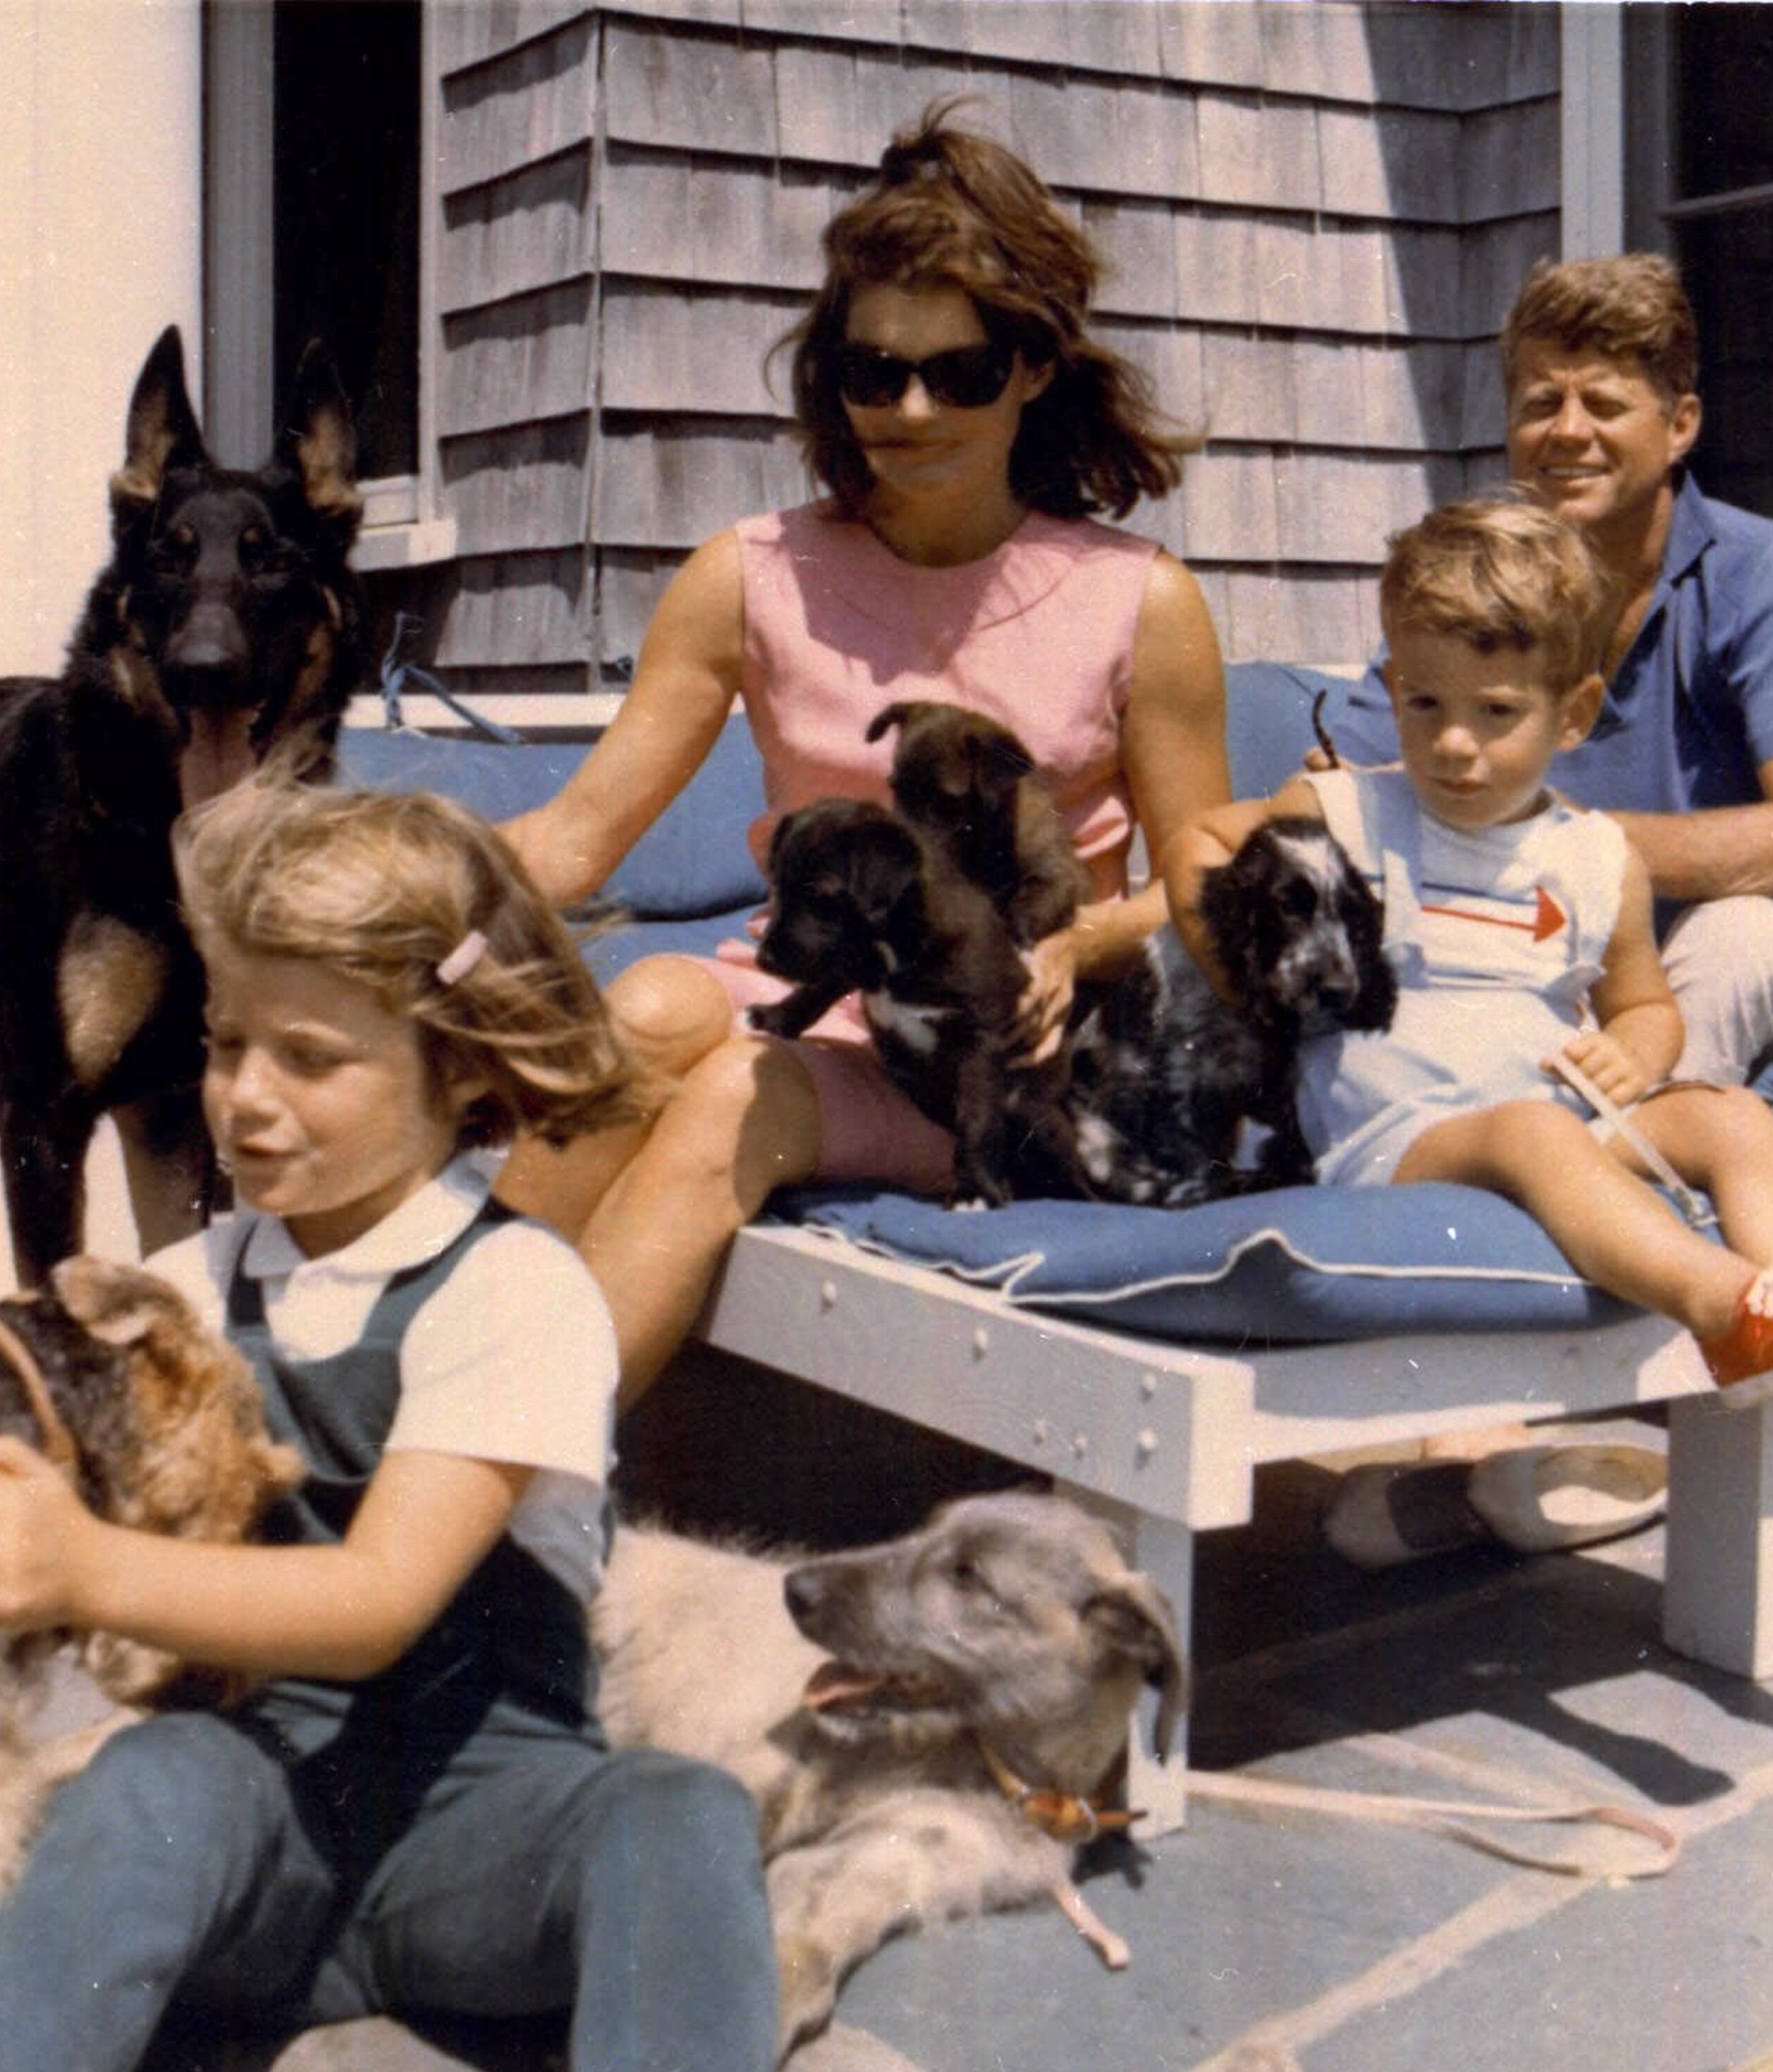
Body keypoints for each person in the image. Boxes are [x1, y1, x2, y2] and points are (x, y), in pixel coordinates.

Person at [0, 781, 777, 2072]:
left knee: (678, 1813)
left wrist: (85, 1567)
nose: (245, 1096)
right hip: (268, 1837)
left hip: (486, 1845)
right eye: (226, 1041)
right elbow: (18, 1412)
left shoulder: (513, 1291)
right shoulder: (191, 1284)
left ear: (458, 1070)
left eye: (308, 1056)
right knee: (151, 1777)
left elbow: (378, 1600)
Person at [496, 101, 1229, 1406]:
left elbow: (1200, 885)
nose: (909, 407)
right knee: (647, 1009)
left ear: (1033, 369)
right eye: (872, 370)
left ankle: (497, 1472)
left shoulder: (1142, 602)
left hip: (1001, 1050)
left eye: (958, 374)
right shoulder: (747, 576)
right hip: (810, 992)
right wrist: (362, 913)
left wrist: (1078, 944)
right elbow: (573, 838)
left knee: (737, 1092)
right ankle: (422, 1394)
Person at [1169, 498, 1773, 1501]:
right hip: (1398, 1139)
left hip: (1554, 1116)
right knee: (1529, 1134)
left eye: (1495, 712)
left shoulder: (1597, 859)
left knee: (1731, 1114)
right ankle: (1734, 1312)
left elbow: (1644, 1003)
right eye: (1423, 704)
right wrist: (1248, 974)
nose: (1454, 743)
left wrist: (1637, 1051)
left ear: (1574, 714)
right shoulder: (1345, 809)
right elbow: (1199, 842)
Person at [1324, 252, 1773, 1088]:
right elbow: (1348, 791)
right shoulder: (1475, 590)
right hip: (1558, 980)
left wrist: (1540, 835)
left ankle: (1622, 1147)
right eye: (1541, 403)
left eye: (1605, 403)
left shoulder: (1768, 573)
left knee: (1739, 932)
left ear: (1681, 425)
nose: (1567, 430)